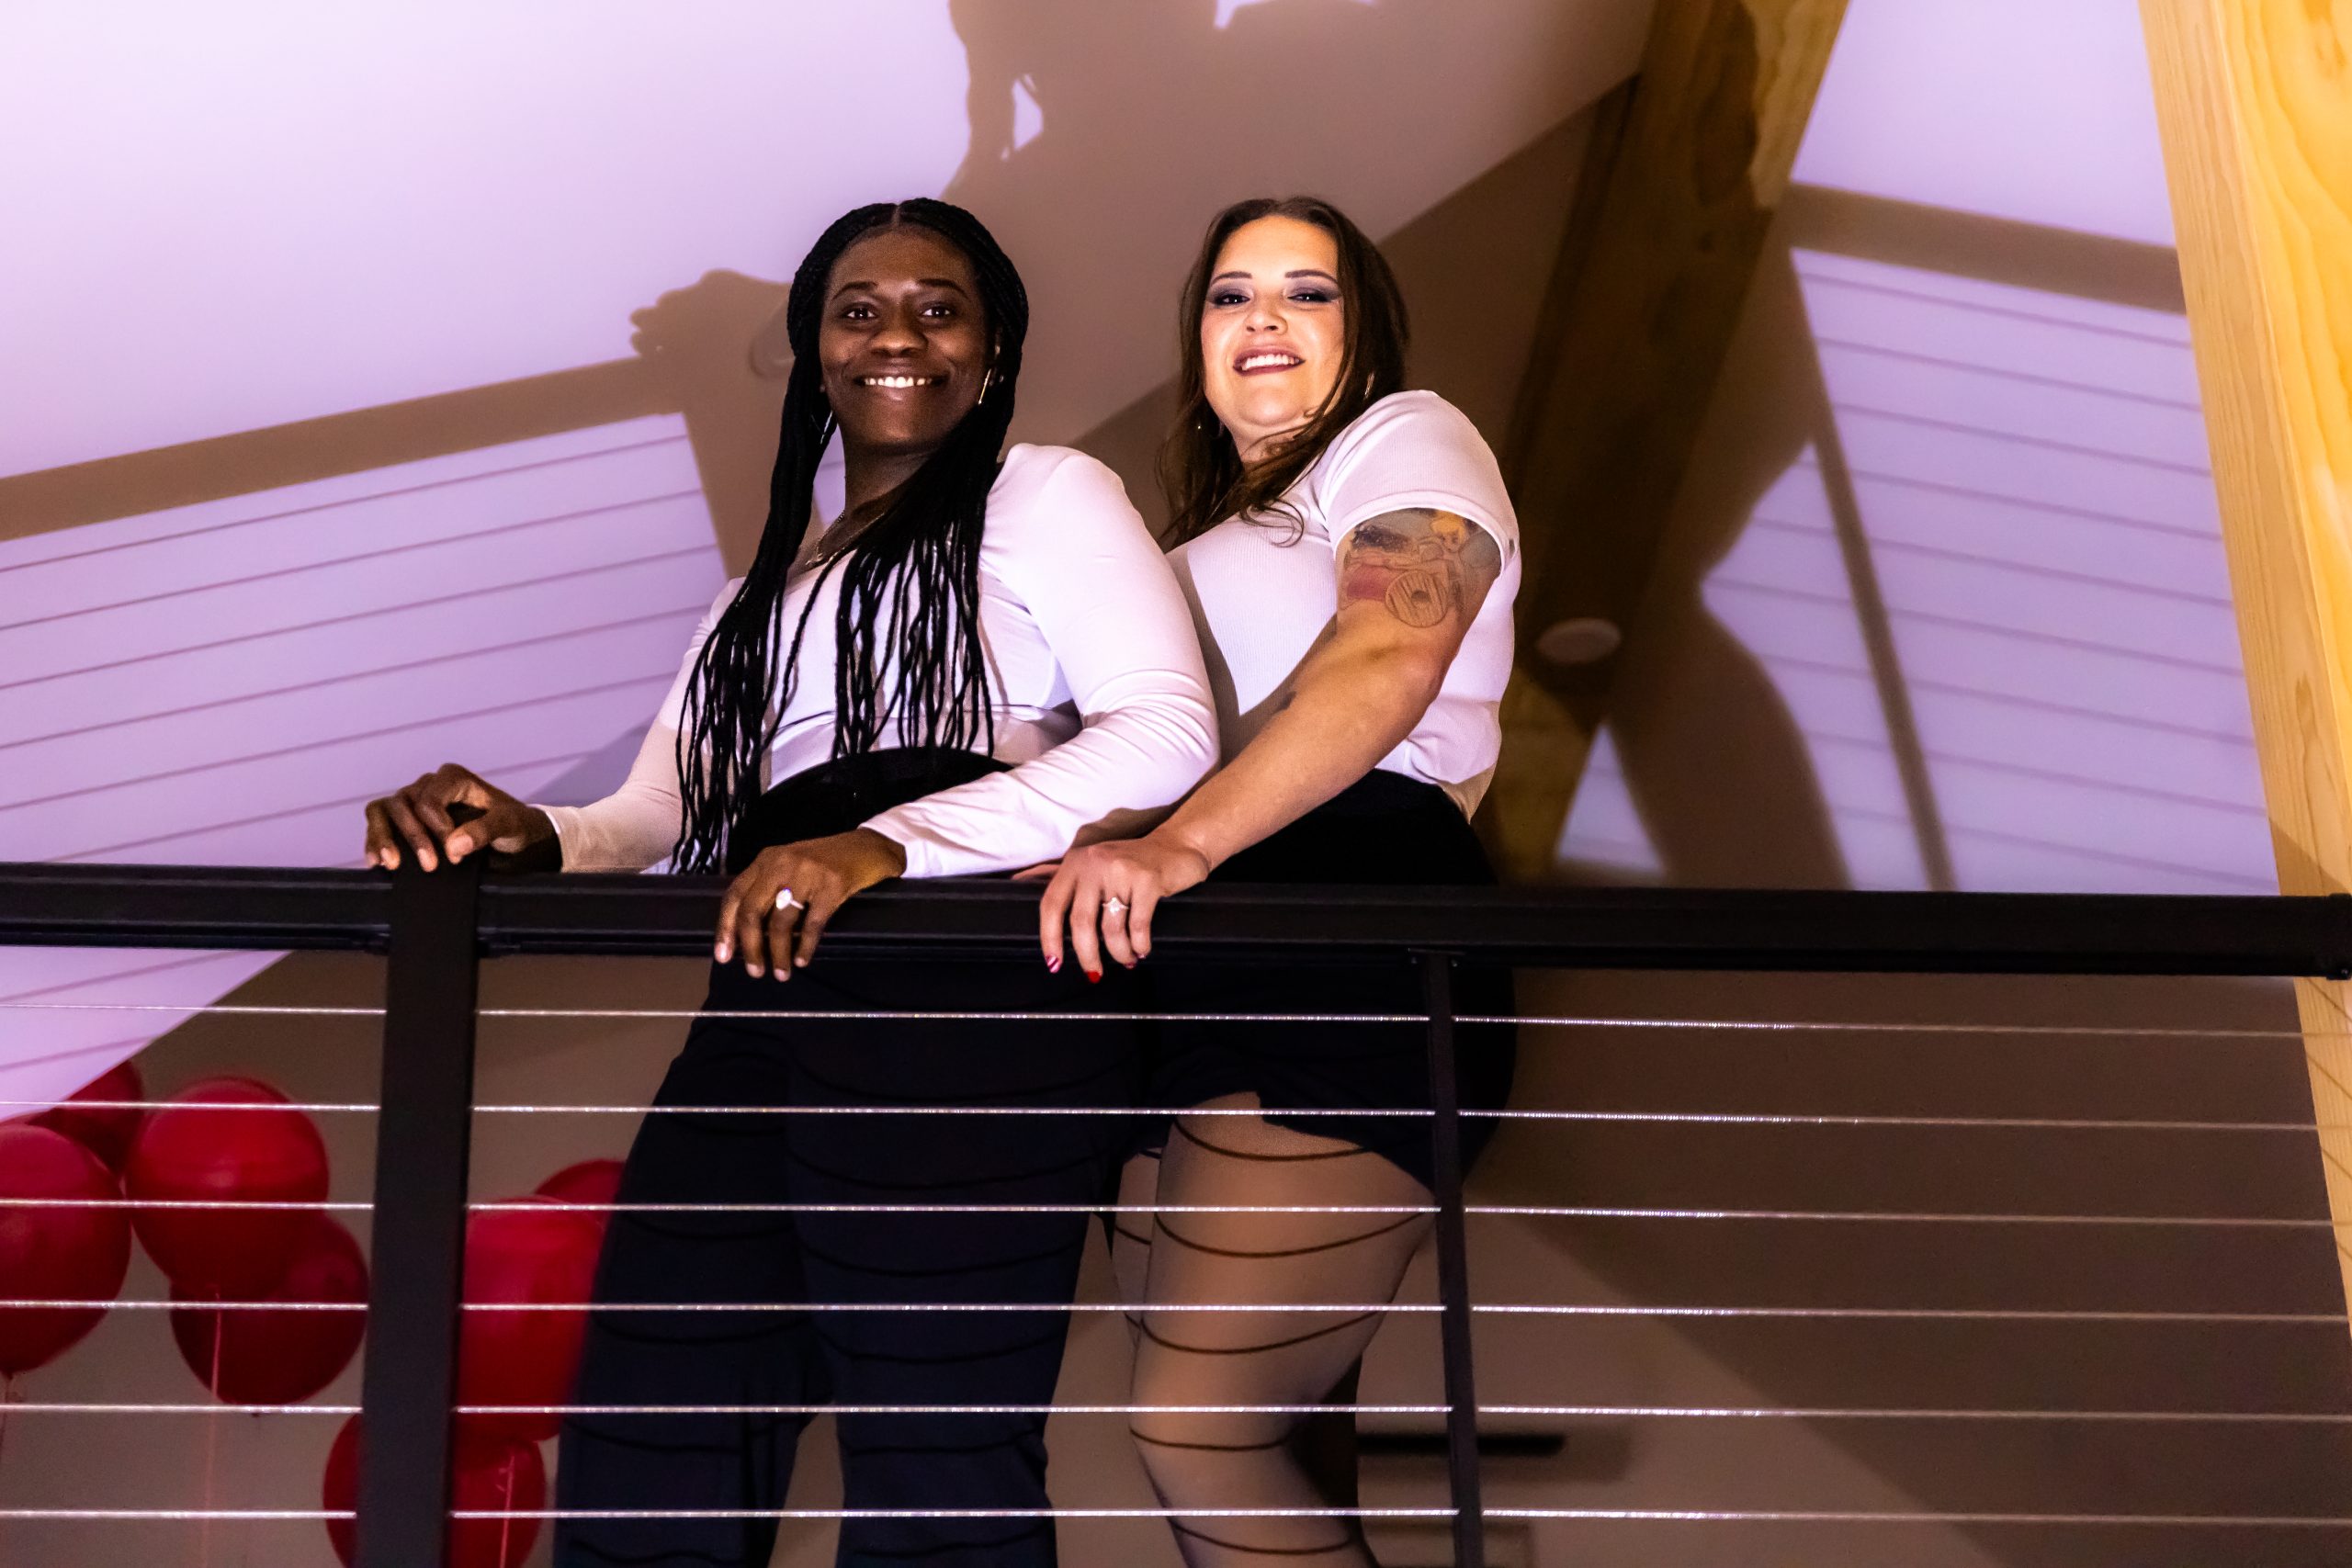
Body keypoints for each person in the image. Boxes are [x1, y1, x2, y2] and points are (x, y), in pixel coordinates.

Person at [363, 198, 1216, 1568]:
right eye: (857, 311)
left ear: (993, 349)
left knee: (934, 1463)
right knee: (653, 1434)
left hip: (968, 991)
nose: (897, 336)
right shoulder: (753, 595)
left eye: (938, 308)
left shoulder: (1047, 494)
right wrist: (533, 833)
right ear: (817, 352)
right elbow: (664, 812)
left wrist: (889, 843)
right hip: (769, 987)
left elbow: (1167, 733)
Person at [1035, 196, 1520, 1565]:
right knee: (1221, 1442)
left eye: (1308, 292)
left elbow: (1392, 651)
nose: (1263, 317)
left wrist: (1184, 842)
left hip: (1347, 925)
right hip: (1170, 967)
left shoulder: (1403, 436)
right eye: (1230, 293)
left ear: (1366, 335)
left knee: (1197, 1427)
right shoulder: (1182, 553)